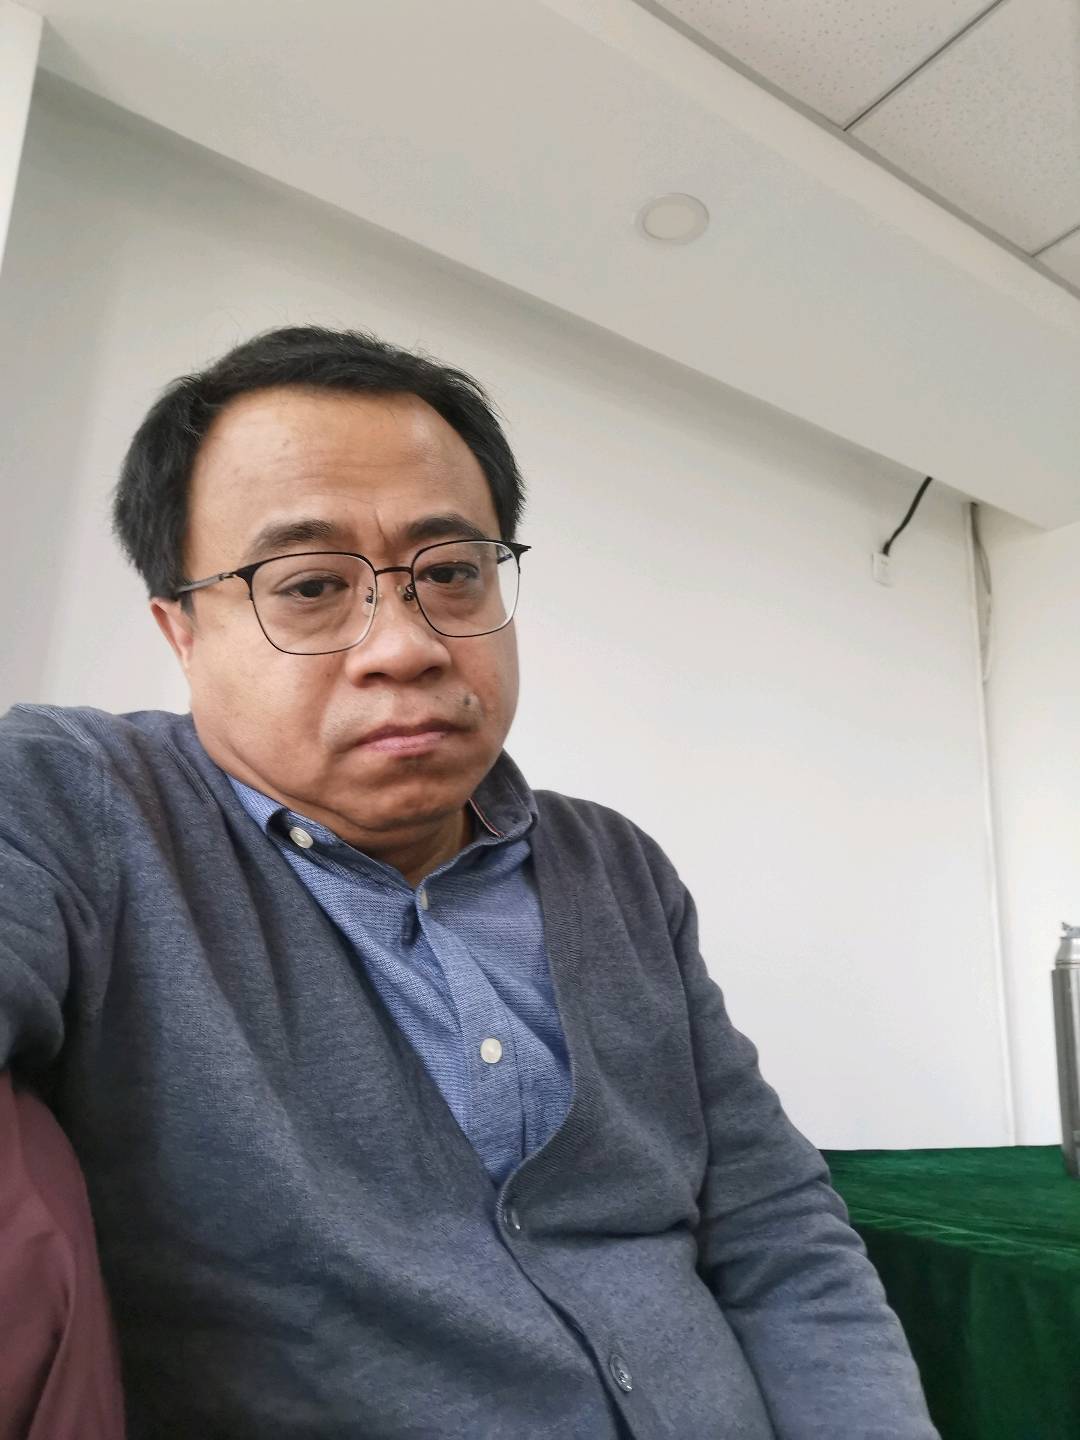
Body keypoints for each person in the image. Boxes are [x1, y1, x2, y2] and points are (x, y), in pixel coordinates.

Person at [0, 326, 940, 1439]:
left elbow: (775, 1227)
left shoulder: (617, 868)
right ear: (182, 633)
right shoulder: (74, 803)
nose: (405, 645)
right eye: (310, 585)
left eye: (450, 573)